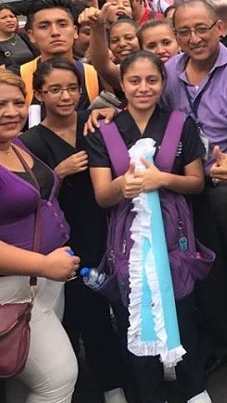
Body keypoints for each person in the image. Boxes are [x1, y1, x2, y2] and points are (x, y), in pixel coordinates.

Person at [86, 51, 211, 403]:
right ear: (121, 85)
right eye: (134, 81)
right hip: (129, 245)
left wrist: (162, 178)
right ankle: (147, 392)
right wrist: (121, 186)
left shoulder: (179, 124)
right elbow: (102, 195)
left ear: (163, 82)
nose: (144, 88)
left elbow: (196, 183)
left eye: (152, 80)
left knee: (182, 308)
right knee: (132, 314)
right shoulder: (104, 131)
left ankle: (193, 387)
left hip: (174, 238)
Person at [160, 0, 227, 391]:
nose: (194, 38)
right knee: (207, 273)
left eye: (202, 29)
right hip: (188, 185)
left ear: (219, 28)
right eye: (184, 32)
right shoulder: (169, 71)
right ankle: (223, 343)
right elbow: (143, 106)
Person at [20, 60, 126, 403]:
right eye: (54, 90)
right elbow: (24, 196)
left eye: (71, 88)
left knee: (125, 305)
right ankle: (108, 385)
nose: (65, 96)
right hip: (68, 240)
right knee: (87, 313)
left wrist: (111, 114)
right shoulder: (30, 141)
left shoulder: (95, 121)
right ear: (38, 94)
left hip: (110, 227)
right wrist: (58, 172)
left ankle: (137, 374)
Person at [0, 69, 81, 403]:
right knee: (57, 379)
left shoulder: (16, 144)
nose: (11, 111)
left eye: (18, 102)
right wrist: (44, 264)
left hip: (43, 283)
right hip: (11, 288)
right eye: (0, 104)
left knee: (23, 376)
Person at [20, 0, 100, 110]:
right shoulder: (19, 77)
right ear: (31, 35)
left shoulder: (94, 76)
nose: (55, 32)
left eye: (62, 24)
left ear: (75, 31)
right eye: (44, 26)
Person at [0, 2, 36, 72]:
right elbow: (3, 74)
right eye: (3, 18)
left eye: (12, 16)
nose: (9, 20)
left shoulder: (24, 36)